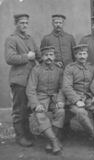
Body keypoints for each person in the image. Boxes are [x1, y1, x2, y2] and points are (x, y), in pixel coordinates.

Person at [63, 44, 94, 149]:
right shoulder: (70, 68)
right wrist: (76, 101)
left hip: (89, 97)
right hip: (74, 99)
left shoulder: (92, 67)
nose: (82, 56)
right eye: (79, 54)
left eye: (84, 53)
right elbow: (66, 87)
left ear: (87, 55)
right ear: (75, 55)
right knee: (81, 112)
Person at [4, 14, 40, 147]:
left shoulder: (30, 39)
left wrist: (48, 61)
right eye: (22, 23)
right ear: (16, 24)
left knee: (27, 109)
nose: (25, 25)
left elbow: (39, 54)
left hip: (31, 80)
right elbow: (9, 58)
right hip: (19, 80)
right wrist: (27, 56)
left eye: (26, 23)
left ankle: (28, 133)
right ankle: (20, 137)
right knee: (19, 110)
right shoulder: (11, 39)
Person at [26, 46, 65, 154]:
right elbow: (30, 89)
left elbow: (62, 88)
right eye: (46, 55)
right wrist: (36, 104)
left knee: (61, 111)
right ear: (42, 57)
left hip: (55, 98)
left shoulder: (59, 70)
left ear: (54, 56)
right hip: (41, 98)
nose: (49, 57)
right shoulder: (36, 70)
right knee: (40, 113)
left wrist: (60, 100)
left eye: (51, 55)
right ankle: (54, 141)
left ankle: (50, 142)